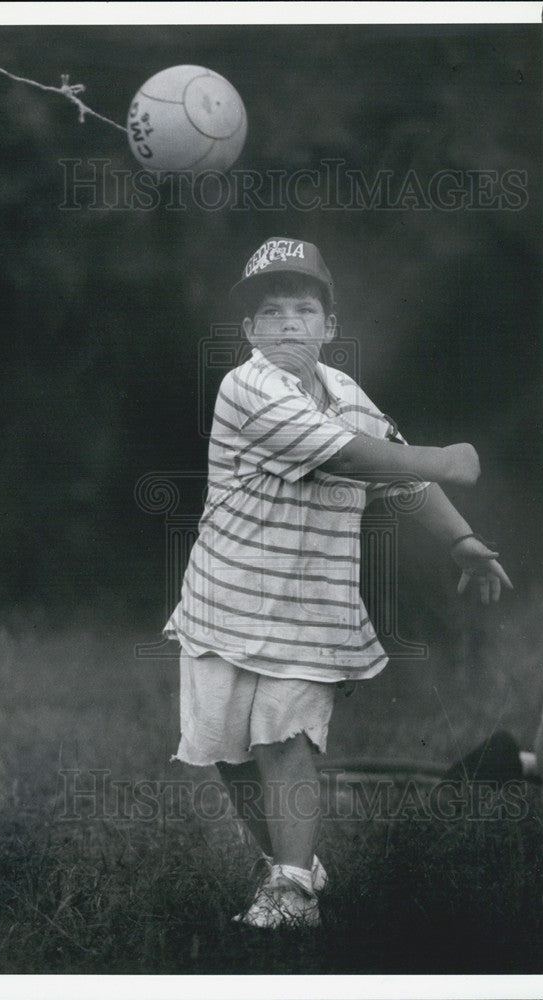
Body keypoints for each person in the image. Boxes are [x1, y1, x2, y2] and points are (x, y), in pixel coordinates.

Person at [164, 236, 512, 928]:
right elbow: (350, 456)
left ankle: (292, 889)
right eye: (270, 313)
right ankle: (291, 865)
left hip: (311, 609)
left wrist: (462, 540)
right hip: (222, 605)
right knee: (225, 752)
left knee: (284, 739)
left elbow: (395, 472)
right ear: (249, 333)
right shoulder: (249, 386)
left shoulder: (345, 392)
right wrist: (447, 458)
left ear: (328, 327)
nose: (288, 323)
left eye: (302, 309)